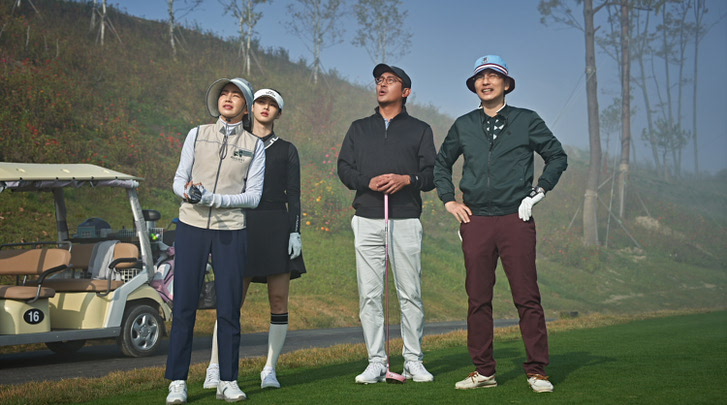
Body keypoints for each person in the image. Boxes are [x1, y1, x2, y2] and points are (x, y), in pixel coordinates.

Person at [433, 55, 568, 393]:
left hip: (515, 217)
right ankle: (484, 371)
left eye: (493, 76)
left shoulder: (526, 120)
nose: (486, 81)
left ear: (506, 84)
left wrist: (538, 192)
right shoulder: (464, 125)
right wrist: (449, 200)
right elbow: (441, 164)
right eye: (480, 77)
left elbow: (557, 156)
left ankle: (537, 371)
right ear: (474, 86)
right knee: (478, 298)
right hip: (476, 220)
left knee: (527, 296)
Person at [165, 77, 265, 404]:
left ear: (246, 107)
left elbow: (253, 197)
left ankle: (228, 380)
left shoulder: (254, 145)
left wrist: (216, 200)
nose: (228, 98)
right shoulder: (196, 134)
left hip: (231, 230)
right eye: (224, 93)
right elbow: (179, 180)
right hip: (191, 226)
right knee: (184, 305)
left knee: (229, 307)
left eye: (236, 95)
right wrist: (188, 193)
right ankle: (177, 381)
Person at [337, 64, 437, 384]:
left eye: (391, 81)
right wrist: (366, 182)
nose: (382, 84)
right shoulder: (359, 128)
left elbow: (432, 175)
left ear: (405, 92)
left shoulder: (420, 130)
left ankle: (413, 360)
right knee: (369, 294)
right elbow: (344, 168)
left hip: (405, 217)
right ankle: (377, 362)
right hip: (367, 217)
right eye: (379, 80)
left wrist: (407, 179)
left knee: (410, 293)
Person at [203, 88, 306, 390]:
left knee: (279, 300)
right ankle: (214, 367)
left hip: (276, 225)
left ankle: (269, 369)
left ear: (278, 113)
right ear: (250, 107)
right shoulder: (237, 142)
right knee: (232, 300)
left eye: (272, 104)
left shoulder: (287, 150)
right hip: (240, 223)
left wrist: (295, 231)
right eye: (261, 101)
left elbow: (294, 195)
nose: (266, 107)